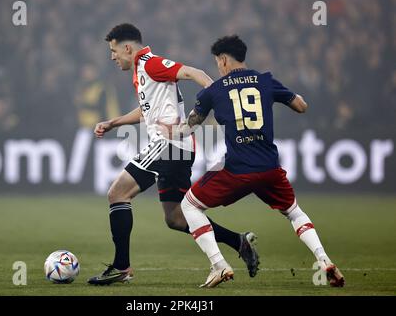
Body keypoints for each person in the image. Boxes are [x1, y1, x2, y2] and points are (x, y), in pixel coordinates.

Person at [87, 24, 259, 285]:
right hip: (179, 147)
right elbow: (147, 112)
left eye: (113, 51)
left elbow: (194, 72)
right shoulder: (142, 73)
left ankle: (122, 266)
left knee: (117, 193)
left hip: (169, 144)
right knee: (176, 218)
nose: (112, 57)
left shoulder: (151, 63)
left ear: (127, 47)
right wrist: (114, 123)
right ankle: (238, 241)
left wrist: (220, 95)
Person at [173, 35, 344, 288]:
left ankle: (219, 265)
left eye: (217, 62)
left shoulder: (213, 91)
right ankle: (324, 259)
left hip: (236, 170)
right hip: (269, 169)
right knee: (294, 211)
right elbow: (301, 105)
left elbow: (188, 127)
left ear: (222, 60)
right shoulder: (265, 81)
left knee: (189, 205)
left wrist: (167, 130)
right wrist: (282, 94)